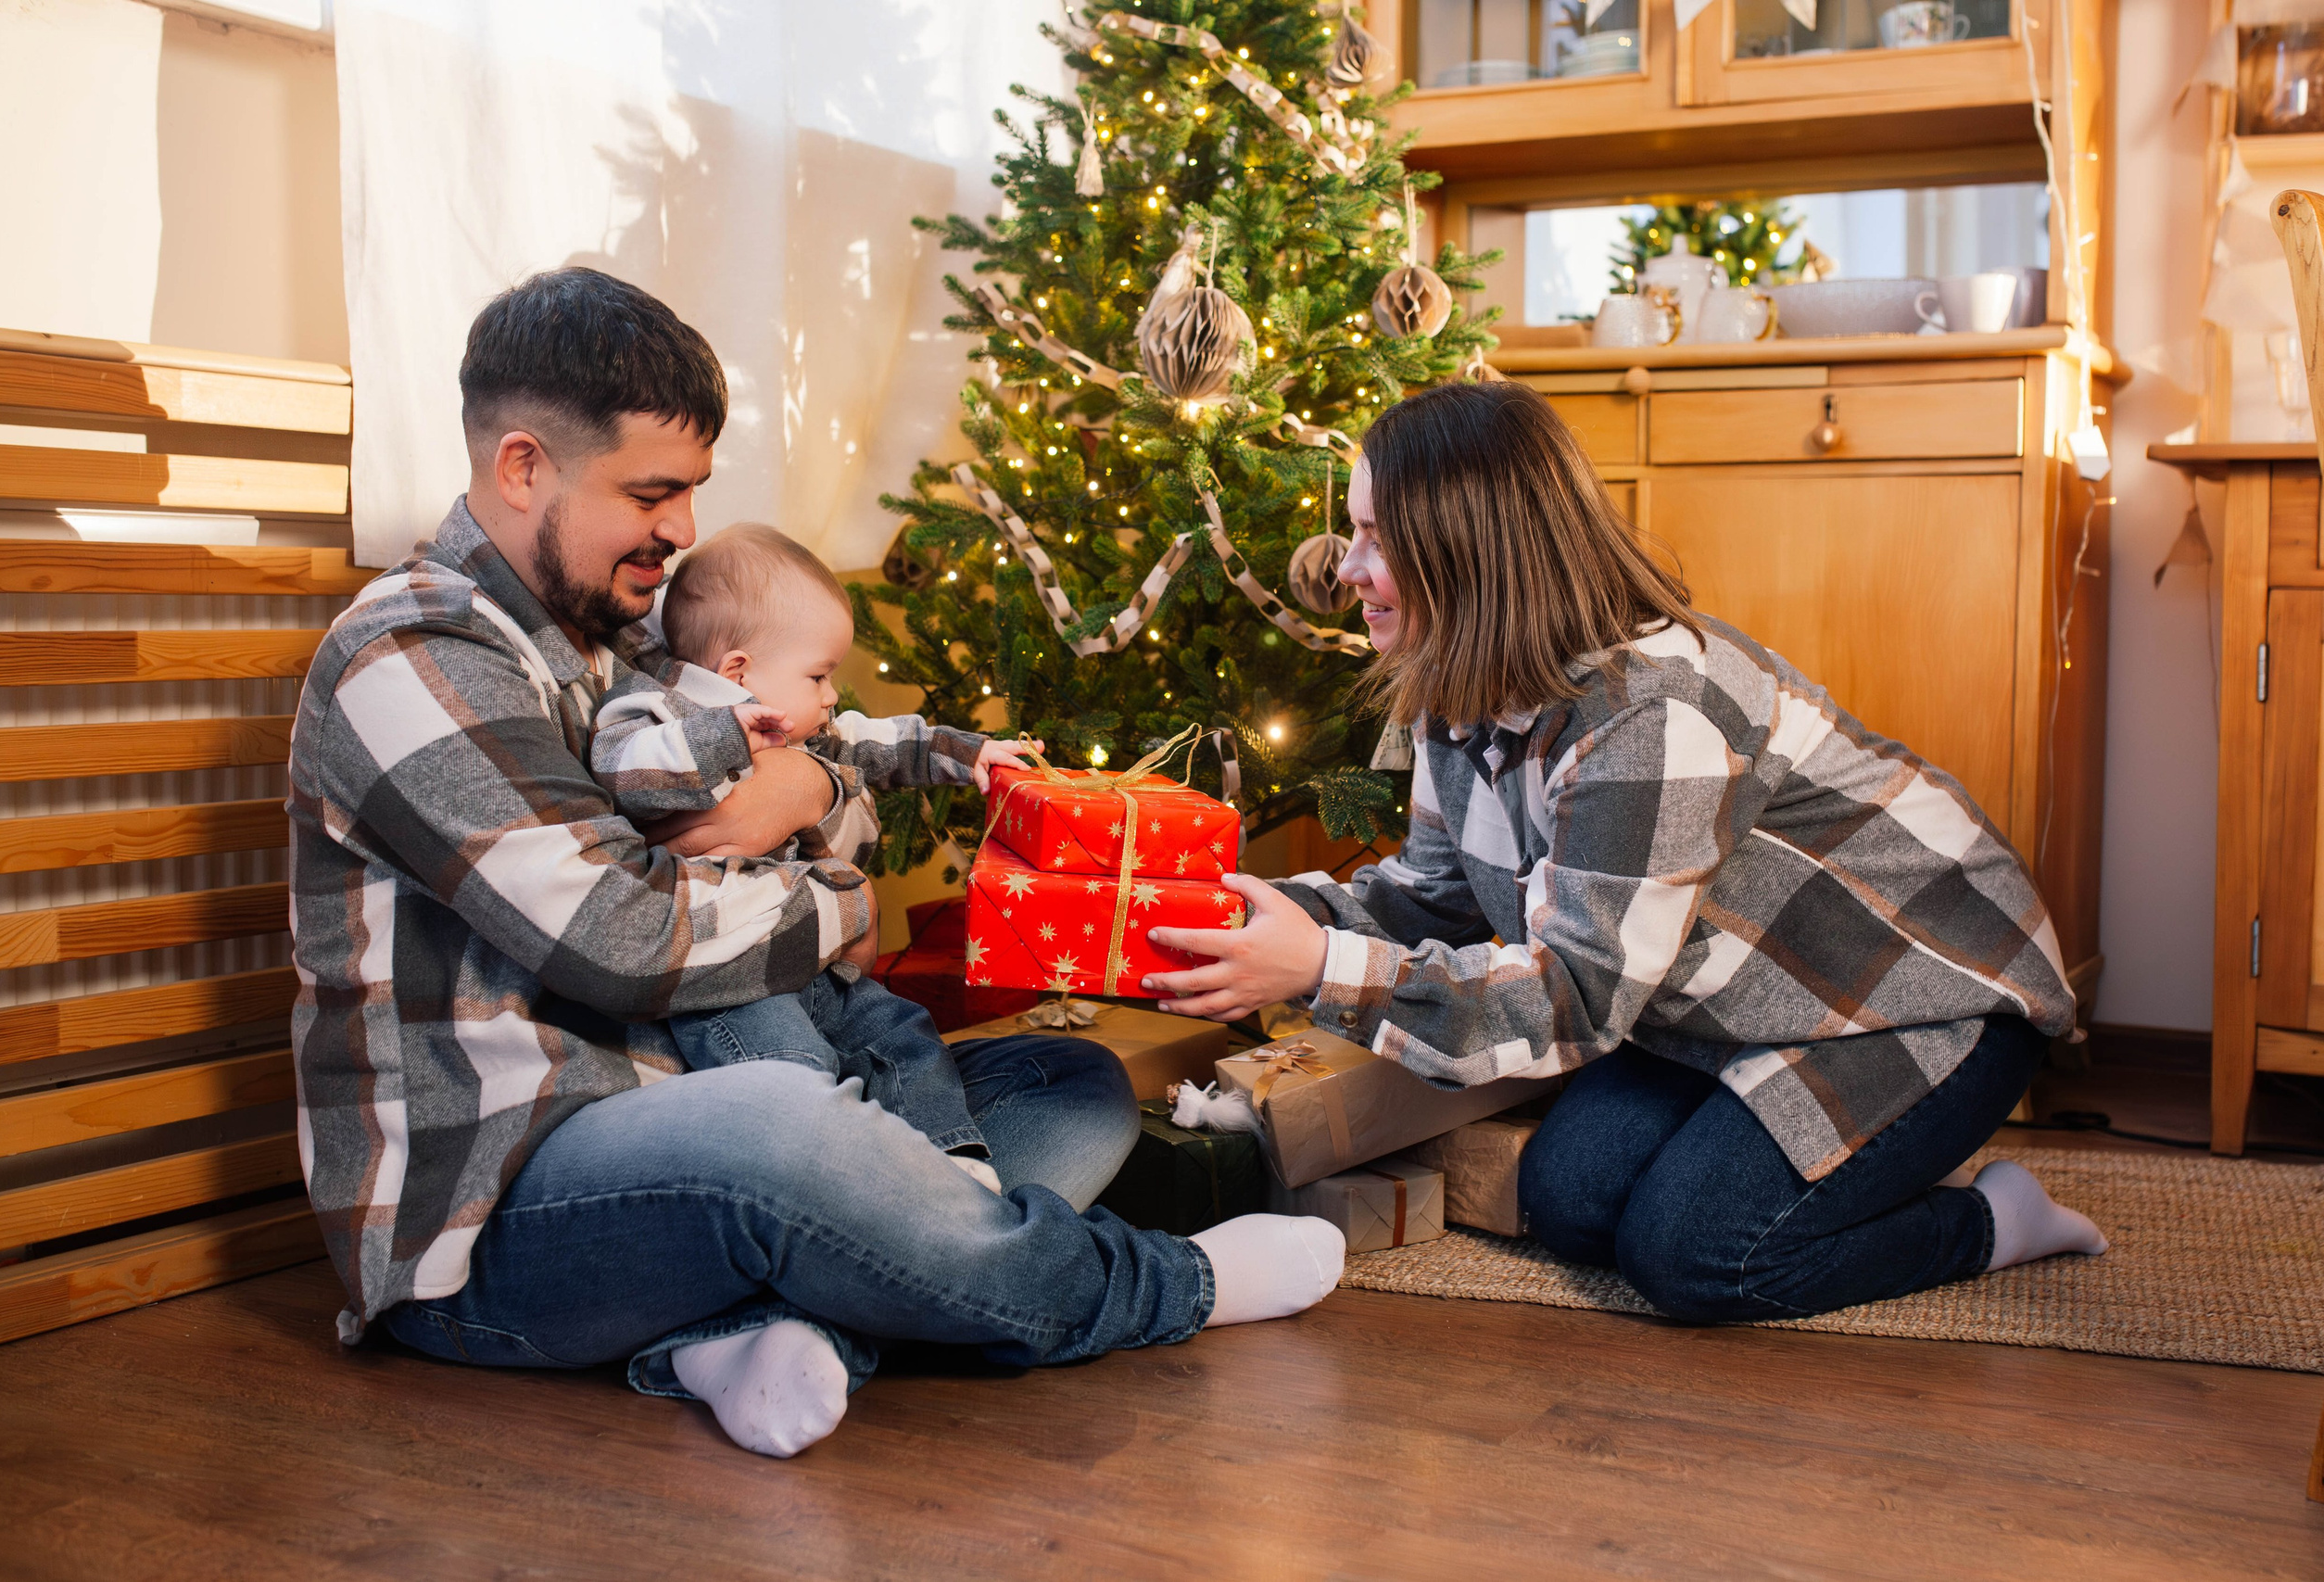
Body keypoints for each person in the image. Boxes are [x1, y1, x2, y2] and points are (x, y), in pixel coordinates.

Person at [287, 266, 1343, 1460]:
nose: (681, 530)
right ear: (524, 465)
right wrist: (834, 894)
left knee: (1066, 1087)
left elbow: (822, 796)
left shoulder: (635, 645)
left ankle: (767, 1334)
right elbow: (626, 947)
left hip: (703, 1106)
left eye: (691, 490)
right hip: (496, 1214)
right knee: (792, 1126)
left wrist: (817, 788)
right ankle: (1159, 1287)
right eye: (650, 491)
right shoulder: (414, 658)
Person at [1140, 379, 2106, 1324]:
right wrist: (1232, 913)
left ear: (1469, 552)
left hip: (1915, 993)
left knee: (1695, 1257)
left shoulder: (1646, 716)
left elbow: (1574, 1000)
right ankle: (1789, 1144)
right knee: (1571, 1204)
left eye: (1375, 538)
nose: (1343, 568)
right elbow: (1433, 896)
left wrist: (1317, 968)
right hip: (1717, 999)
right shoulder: (1453, 683)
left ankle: (1994, 1220)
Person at [589, 522, 1037, 1184]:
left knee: (899, 1032)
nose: (831, 696)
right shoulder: (658, 706)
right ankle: (841, 1190)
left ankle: (954, 1165)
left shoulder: (805, 726)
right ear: (738, 670)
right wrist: (724, 736)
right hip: (729, 976)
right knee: (790, 1072)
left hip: (813, 955)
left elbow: (878, 741)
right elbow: (621, 768)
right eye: (820, 675)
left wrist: (965, 752)